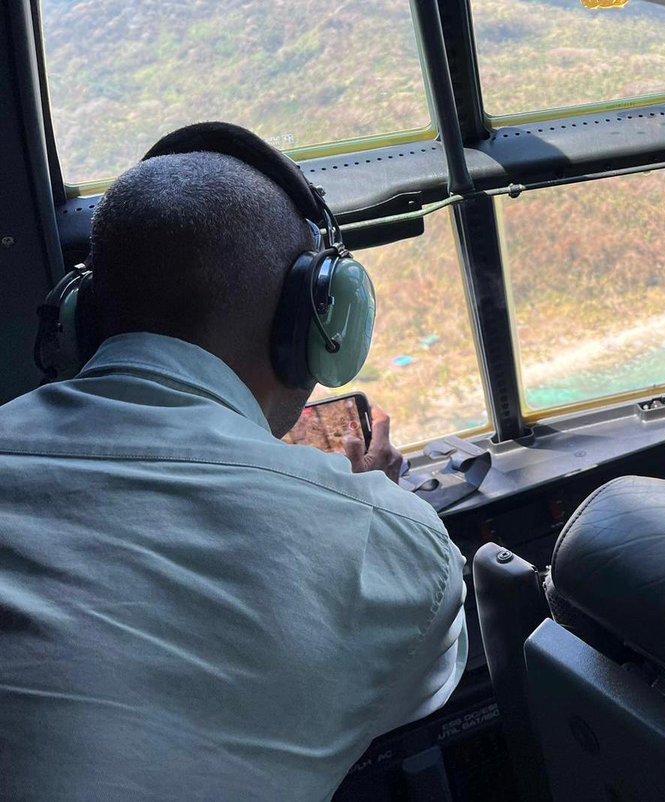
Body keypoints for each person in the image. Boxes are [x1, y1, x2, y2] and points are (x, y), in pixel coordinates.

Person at [0, 128, 466, 799]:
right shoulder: (388, 545)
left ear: (82, 319)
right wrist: (362, 508)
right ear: (316, 327)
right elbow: (413, 689)